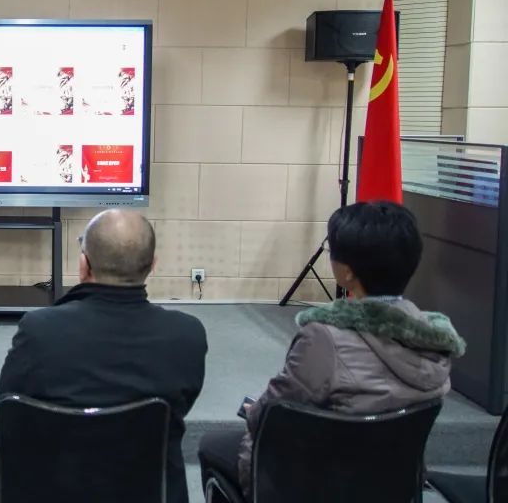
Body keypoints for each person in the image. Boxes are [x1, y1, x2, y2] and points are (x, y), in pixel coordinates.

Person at [197, 201, 466, 502]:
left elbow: (275, 409)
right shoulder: (434, 341)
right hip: (392, 483)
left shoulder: (324, 340)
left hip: (321, 482)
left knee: (213, 444)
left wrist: (254, 410)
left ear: (347, 273)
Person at [0, 209, 208, 503]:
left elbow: (9, 411)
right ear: (153, 265)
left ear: (83, 264)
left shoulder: (38, 330)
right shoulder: (187, 335)